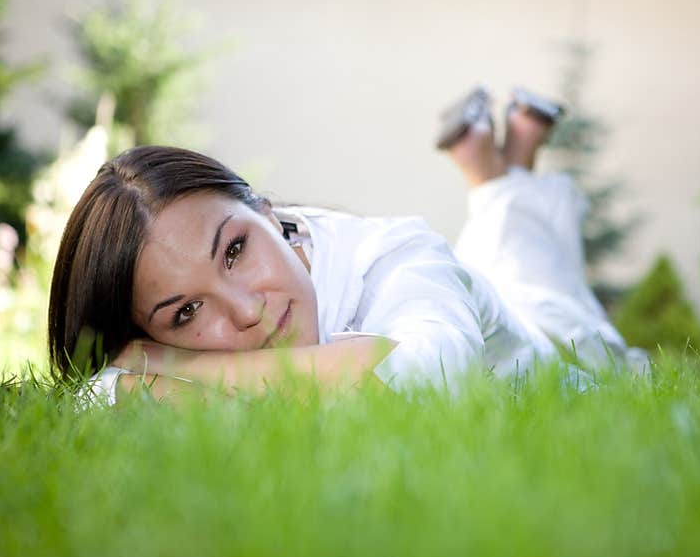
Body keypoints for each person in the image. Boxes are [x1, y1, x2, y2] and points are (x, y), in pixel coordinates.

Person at [48, 86, 647, 406]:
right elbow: (97, 395)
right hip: (474, 300)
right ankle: (507, 162)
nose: (246, 310)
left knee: (544, 291)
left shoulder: (397, 257)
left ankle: (497, 176)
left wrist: (186, 365)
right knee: (503, 264)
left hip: (552, 353)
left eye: (234, 251)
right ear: (145, 333)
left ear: (267, 211)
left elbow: (425, 379)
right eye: (186, 312)